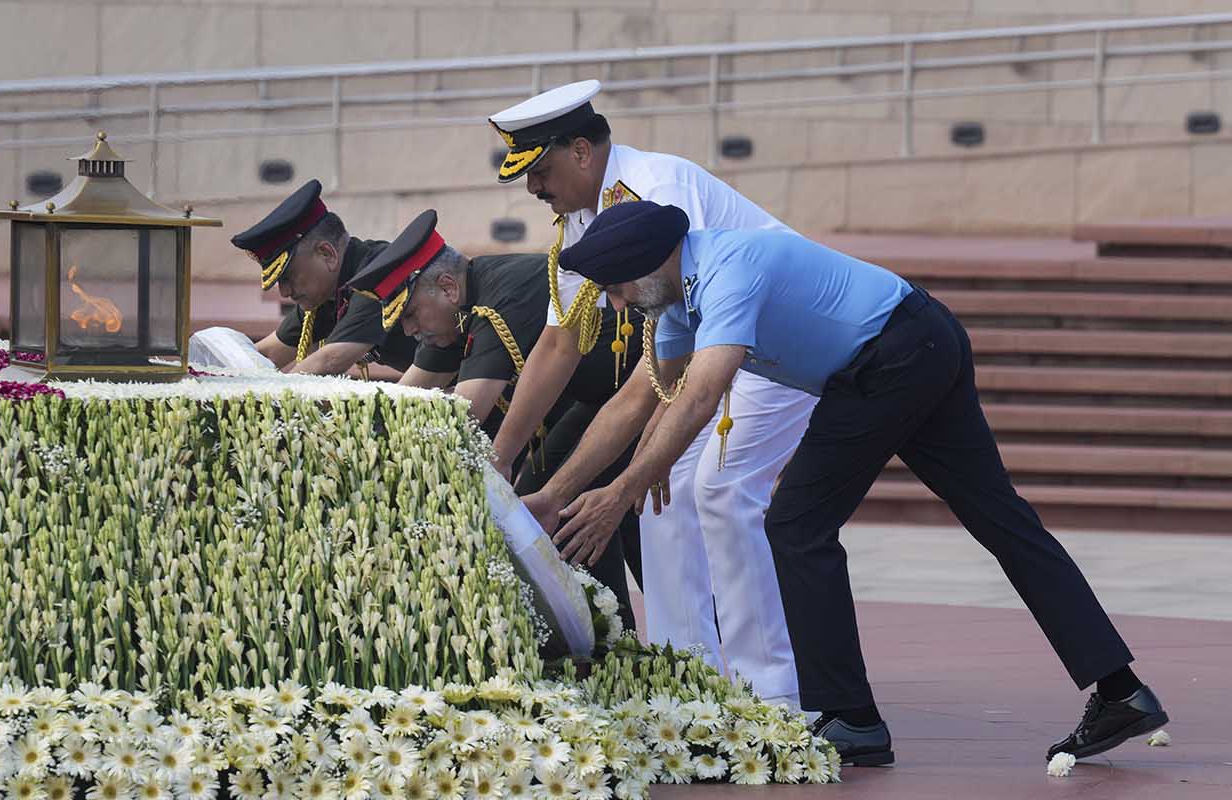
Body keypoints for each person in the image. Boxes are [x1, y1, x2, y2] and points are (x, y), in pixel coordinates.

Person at [551, 199, 1168, 767]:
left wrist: (623, 491)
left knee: (796, 524)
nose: (619, 305)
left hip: (892, 356)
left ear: (649, 263)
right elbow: (641, 400)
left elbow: (704, 392)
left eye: (618, 289)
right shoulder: (677, 300)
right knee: (1001, 520)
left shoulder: (727, 270)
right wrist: (555, 496)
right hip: (918, 341)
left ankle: (851, 718)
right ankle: (1121, 691)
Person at [493, 80, 813, 708]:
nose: (533, 188)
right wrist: (501, 460)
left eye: (541, 170)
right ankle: (688, 685)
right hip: (709, 354)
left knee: (717, 493)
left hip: (777, 341)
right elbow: (560, 344)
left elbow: (659, 374)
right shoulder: (582, 222)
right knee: (660, 499)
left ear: (580, 152)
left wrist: (618, 476)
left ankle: (771, 697)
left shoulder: (655, 190)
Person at [344, 209, 641, 629]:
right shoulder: (457, 311)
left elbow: (459, 420)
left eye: (410, 314)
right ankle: (608, 631)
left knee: (562, 510)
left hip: (642, 392)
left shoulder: (496, 302)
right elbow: (403, 402)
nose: (408, 331)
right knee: (553, 505)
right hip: (599, 399)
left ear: (447, 287)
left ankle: (610, 633)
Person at [233, 179, 454, 379]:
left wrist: (274, 397)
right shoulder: (326, 294)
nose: (284, 291)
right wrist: (218, 376)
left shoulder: (377, 274)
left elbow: (331, 359)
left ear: (326, 254)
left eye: (288, 277)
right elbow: (268, 354)